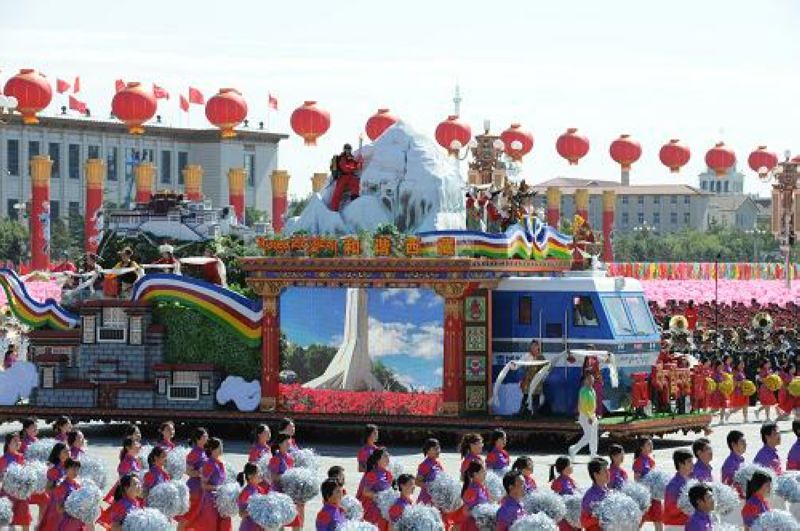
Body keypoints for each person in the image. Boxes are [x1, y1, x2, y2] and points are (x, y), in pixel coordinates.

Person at [177, 426, 209, 529]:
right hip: (194, 489)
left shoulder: (203, 451)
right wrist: (201, 473)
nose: (207, 437)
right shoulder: (194, 452)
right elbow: (188, 471)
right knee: (187, 517)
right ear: (198, 439)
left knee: (196, 517)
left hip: (202, 489)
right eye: (205, 436)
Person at [196, 437, 231, 530]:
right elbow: (203, 486)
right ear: (212, 449)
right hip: (210, 502)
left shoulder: (220, 463)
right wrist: (218, 488)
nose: (222, 449)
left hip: (220, 500)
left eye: (222, 446)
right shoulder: (209, 464)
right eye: (219, 447)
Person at [0, 432, 32, 530]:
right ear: (8, 443)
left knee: (25, 522)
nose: (18, 443)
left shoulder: (21, 457)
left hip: (22, 496)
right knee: (9, 522)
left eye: (19, 440)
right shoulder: (3, 459)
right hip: (8, 495)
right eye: (15, 441)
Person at [633, 437, 663, 531]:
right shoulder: (638, 461)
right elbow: (636, 480)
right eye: (648, 444)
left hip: (654, 495)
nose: (651, 446)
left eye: (651, 444)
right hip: (645, 496)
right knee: (639, 521)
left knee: (658, 519)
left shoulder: (651, 460)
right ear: (642, 447)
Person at [39, 442, 70, 531]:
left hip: (69, 503)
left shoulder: (70, 466)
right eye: (65, 451)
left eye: (68, 450)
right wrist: (60, 488)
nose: (68, 453)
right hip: (57, 505)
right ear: (58, 455)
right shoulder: (54, 470)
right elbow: (47, 489)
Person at [361, 448, 393, 531]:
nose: (388, 458)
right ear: (378, 460)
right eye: (385, 456)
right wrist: (380, 496)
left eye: (388, 456)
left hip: (385, 510)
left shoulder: (389, 474)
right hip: (374, 511)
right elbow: (365, 492)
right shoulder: (372, 474)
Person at [568, 372, 598, 459]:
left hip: (592, 415)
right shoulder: (583, 391)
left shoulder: (592, 390)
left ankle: (593, 454)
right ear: (584, 381)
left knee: (594, 435)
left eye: (592, 378)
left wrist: (594, 415)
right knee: (588, 436)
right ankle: (573, 449)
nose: (591, 380)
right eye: (588, 379)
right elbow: (583, 406)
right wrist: (589, 416)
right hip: (585, 416)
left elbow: (594, 404)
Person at [662, 448, 693, 530]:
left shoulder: (691, 481)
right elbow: (671, 509)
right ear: (680, 464)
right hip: (675, 526)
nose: (692, 464)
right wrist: (687, 505)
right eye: (689, 461)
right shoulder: (673, 485)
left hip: (686, 524)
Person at [53, 458, 86, 531]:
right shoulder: (62, 487)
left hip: (79, 522)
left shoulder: (77, 484)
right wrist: (72, 505)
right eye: (73, 469)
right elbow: (59, 509)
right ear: (66, 469)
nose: (76, 472)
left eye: (77, 469)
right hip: (68, 524)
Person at [330, 143, 363, 211]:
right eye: (347, 149)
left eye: (349, 149)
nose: (348, 150)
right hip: (343, 176)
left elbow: (358, 167)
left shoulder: (351, 158)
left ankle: (354, 199)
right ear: (344, 149)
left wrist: (360, 161)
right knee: (338, 192)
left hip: (350, 176)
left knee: (355, 183)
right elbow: (346, 167)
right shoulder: (342, 157)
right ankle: (333, 209)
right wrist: (354, 166)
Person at [580, 458, 610, 531]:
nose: (608, 473)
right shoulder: (590, 496)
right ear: (596, 474)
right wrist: (599, 518)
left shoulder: (608, 491)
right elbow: (583, 522)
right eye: (605, 471)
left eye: (608, 470)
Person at [549, 456, 578, 531]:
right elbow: (554, 500)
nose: (572, 466)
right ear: (564, 467)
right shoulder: (557, 482)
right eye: (570, 465)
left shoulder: (570, 480)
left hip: (573, 514)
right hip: (564, 517)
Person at [518, 340, 546, 415]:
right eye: (533, 346)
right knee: (526, 395)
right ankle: (522, 412)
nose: (534, 348)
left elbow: (545, 368)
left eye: (536, 346)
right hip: (528, 379)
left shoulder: (541, 357)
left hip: (537, 380)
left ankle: (535, 413)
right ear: (530, 347)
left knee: (536, 396)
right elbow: (519, 365)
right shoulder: (526, 356)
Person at [237, 462, 268, 531]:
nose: (260, 474)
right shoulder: (246, 492)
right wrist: (254, 509)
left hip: (260, 526)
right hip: (249, 527)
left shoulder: (260, 489)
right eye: (258, 472)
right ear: (250, 476)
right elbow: (241, 513)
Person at [461, 461, 490, 531]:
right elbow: (465, 510)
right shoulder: (472, 490)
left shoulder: (482, 487)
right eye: (483, 471)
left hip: (481, 524)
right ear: (475, 474)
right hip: (473, 525)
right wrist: (477, 516)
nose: (485, 473)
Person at [416, 438, 444, 505]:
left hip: (436, 499)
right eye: (435, 449)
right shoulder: (425, 465)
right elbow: (417, 482)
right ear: (428, 450)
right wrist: (430, 486)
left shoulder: (438, 464)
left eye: (438, 448)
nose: (438, 451)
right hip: (426, 501)